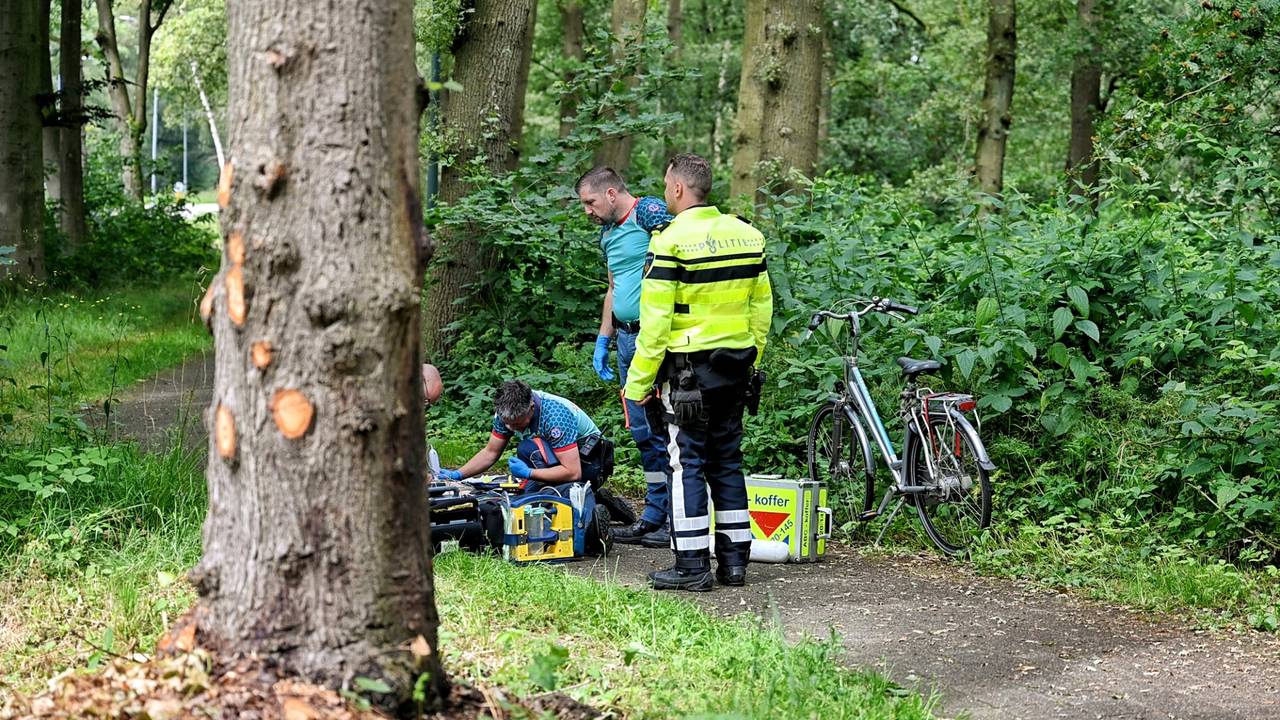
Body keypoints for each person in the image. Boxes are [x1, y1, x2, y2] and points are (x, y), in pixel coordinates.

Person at [624, 153, 773, 592]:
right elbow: (761, 310)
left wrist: (638, 384)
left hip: (688, 376)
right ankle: (733, 564)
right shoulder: (749, 236)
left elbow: (656, 325)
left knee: (685, 463)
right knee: (727, 462)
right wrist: (752, 360)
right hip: (735, 369)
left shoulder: (668, 242)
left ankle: (691, 566)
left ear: (676, 189)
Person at [575, 166, 674, 547]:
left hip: (655, 340)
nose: (587, 210)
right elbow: (615, 288)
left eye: (591, 202)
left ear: (612, 193)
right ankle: (653, 515)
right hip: (626, 342)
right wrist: (604, 338)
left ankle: (676, 521)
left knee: (666, 429)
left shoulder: (648, 213)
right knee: (641, 430)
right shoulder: (608, 233)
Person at [438, 380, 613, 496]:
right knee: (525, 494)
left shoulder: (555, 416)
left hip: (591, 461)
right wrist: (457, 474)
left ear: (531, 408)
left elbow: (573, 471)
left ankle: (581, 494)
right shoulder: (505, 414)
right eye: (507, 423)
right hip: (559, 458)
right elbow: (491, 452)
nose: (510, 428)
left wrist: (529, 473)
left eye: (516, 424)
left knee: (529, 449)